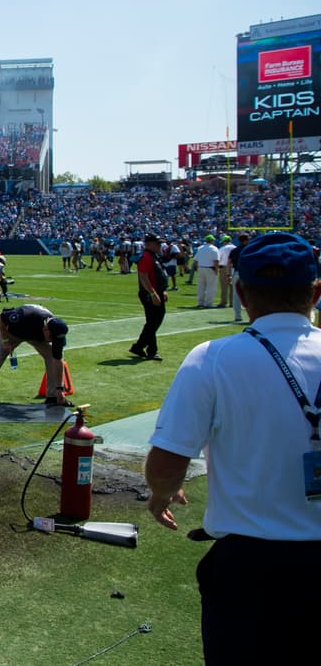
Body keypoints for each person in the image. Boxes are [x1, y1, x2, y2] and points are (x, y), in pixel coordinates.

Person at [145, 232, 321, 664]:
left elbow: (168, 462)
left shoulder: (211, 358)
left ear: (241, 291)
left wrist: (160, 495)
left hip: (250, 566)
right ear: (316, 291)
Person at [0, 304, 70, 407]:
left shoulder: (55, 334)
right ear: (46, 330)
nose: (53, 341)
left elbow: (58, 360)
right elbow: (1, 317)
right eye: (52, 338)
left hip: (36, 336)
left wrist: (59, 389)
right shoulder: (24, 317)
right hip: (12, 333)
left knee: (52, 356)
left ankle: (53, 397)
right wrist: (5, 340)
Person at [128, 234, 167, 361]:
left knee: (155, 321)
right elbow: (143, 277)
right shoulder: (146, 257)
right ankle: (151, 350)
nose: (159, 245)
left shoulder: (154, 256)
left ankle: (139, 346)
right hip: (149, 293)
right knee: (153, 322)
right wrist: (152, 293)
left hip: (156, 291)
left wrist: (163, 290)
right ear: (149, 244)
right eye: (157, 243)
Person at [193, 234, 221, 308]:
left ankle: (200, 302)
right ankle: (208, 303)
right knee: (211, 286)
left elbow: (196, 260)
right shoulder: (214, 249)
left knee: (200, 286)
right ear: (212, 241)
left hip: (201, 268)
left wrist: (197, 268)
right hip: (210, 268)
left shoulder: (200, 248)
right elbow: (216, 260)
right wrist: (217, 270)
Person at [228, 232, 250, 323]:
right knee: (249, 295)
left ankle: (237, 316)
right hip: (247, 274)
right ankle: (251, 315)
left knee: (236, 296)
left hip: (236, 273)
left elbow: (229, 263)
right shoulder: (249, 250)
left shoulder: (234, 250)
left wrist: (228, 274)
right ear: (247, 240)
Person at [216, 234, 236, 308]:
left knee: (224, 286)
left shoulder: (222, 248)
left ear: (224, 241)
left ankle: (223, 302)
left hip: (224, 267)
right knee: (233, 286)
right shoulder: (235, 248)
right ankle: (232, 302)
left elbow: (219, 259)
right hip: (234, 267)